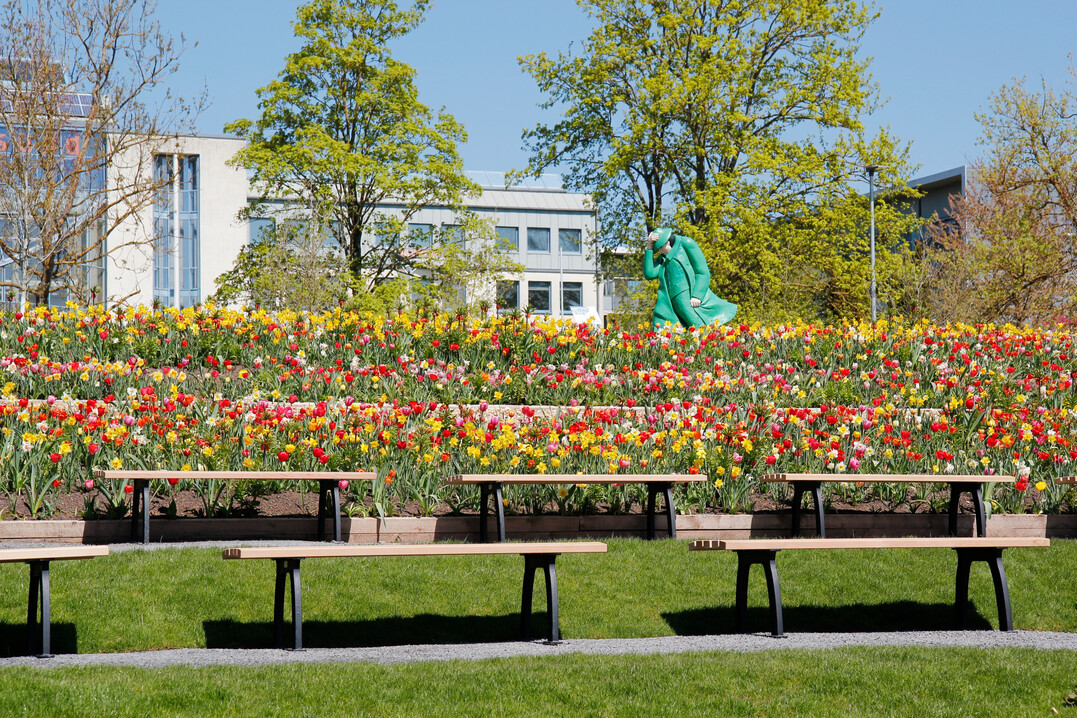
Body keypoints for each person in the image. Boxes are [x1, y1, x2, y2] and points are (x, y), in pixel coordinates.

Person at [644, 227, 737, 329]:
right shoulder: (663, 259)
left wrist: (697, 295)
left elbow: (702, 271)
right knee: (673, 328)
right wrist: (649, 247)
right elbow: (649, 274)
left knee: (696, 323)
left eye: (661, 247)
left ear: (668, 242)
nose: (660, 251)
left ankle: (707, 337)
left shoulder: (685, 243)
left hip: (688, 295)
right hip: (670, 300)